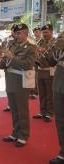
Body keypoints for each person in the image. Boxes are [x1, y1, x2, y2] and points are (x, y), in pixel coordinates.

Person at [0, 24, 36, 147]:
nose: (16, 35)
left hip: (21, 82)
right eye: (16, 33)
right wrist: (2, 61)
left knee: (22, 110)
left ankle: (23, 135)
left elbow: (28, 65)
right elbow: (7, 62)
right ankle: (15, 132)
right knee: (14, 110)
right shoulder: (12, 45)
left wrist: (12, 57)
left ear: (26, 34)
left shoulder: (30, 48)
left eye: (19, 33)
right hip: (10, 81)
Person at [45, 32, 64, 164]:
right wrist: (54, 48)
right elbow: (51, 61)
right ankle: (63, 152)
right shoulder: (59, 46)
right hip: (58, 86)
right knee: (60, 121)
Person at [32, 24, 55, 122]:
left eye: (46, 32)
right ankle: (42, 111)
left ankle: (49, 113)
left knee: (49, 93)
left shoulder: (55, 42)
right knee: (41, 93)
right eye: (43, 32)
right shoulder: (40, 41)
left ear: (51, 31)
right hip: (40, 70)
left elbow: (56, 56)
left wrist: (44, 50)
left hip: (49, 70)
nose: (44, 34)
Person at [1, 24, 18, 112]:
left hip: (17, 69)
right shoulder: (9, 41)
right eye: (12, 31)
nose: (12, 34)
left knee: (16, 89)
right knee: (8, 88)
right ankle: (10, 104)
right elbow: (3, 51)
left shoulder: (22, 43)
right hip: (8, 68)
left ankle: (15, 105)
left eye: (14, 32)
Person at [29, 27, 42, 100]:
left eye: (37, 31)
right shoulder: (32, 41)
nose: (36, 33)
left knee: (36, 77)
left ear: (40, 32)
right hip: (32, 60)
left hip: (39, 61)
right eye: (35, 32)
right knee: (31, 76)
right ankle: (31, 91)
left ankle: (35, 92)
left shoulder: (42, 41)